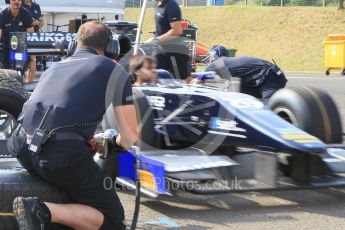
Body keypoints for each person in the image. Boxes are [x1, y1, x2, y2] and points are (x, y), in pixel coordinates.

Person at [8, 21, 138, 230]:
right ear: (111, 49)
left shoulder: (55, 67)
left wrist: (84, 141)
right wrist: (115, 141)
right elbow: (131, 137)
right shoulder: (114, 69)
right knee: (114, 220)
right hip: (58, 157)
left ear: (74, 45)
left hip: (22, 146)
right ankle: (41, 210)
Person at [205, 45, 288, 102]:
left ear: (213, 56)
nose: (208, 62)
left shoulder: (216, 64)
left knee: (268, 114)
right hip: (269, 76)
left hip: (269, 76)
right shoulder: (228, 63)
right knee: (239, 94)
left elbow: (201, 80)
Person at [153, 0, 192, 83]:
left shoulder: (171, 5)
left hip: (175, 51)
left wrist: (156, 40)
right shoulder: (158, 5)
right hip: (161, 50)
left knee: (183, 82)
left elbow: (177, 30)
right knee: (156, 78)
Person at [0, 0, 34, 69]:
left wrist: (32, 56)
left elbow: (30, 36)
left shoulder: (26, 14)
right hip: (5, 49)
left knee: (19, 73)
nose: (16, 1)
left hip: (20, 49)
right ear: (9, 1)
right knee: (5, 74)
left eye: (19, 0)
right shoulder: (2, 14)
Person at [23, 0, 44, 83]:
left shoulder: (36, 6)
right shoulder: (20, 5)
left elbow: (42, 24)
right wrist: (28, 22)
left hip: (33, 38)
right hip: (22, 37)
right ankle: (21, 83)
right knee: (21, 62)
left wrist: (37, 22)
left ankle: (29, 83)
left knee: (33, 61)